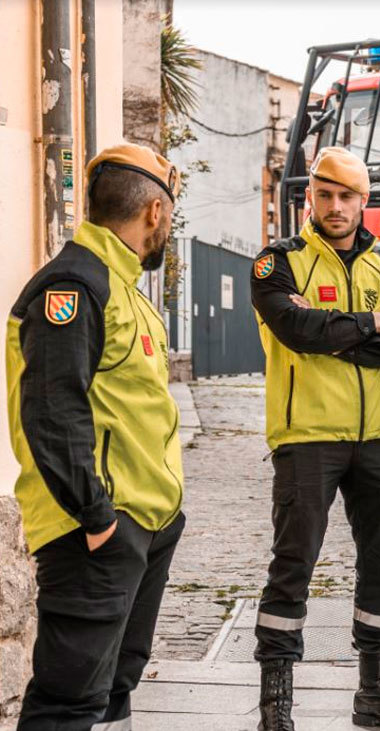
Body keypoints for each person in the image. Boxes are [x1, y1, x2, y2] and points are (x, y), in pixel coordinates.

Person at [249, 146, 380, 731]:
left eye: (346, 196)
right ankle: (276, 708)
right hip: (307, 435)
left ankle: (376, 692)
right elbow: (296, 331)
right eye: (325, 194)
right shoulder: (278, 264)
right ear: (311, 198)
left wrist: (336, 332)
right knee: (293, 562)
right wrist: (370, 323)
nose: (335, 206)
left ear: (363, 201)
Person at [7, 143, 186, 730]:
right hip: (96, 531)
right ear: (155, 214)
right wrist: (97, 517)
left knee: (112, 690)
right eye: (170, 216)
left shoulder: (120, 284)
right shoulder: (75, 285)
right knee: (69, 702)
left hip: (144, 524)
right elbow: (51, 412)